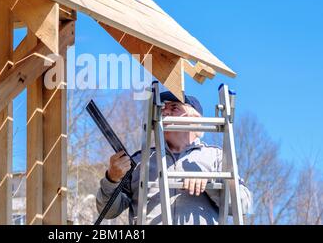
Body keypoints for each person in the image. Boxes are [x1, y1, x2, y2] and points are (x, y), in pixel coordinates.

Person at [96, 91, 252, 225]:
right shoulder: (140, 161)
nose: (164, 112)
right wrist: (112, 180)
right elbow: (108, 212)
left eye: (174, 107)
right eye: (162, 109)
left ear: (196, 118)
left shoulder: (216, 157)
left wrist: (210, 183)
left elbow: (244, 204)